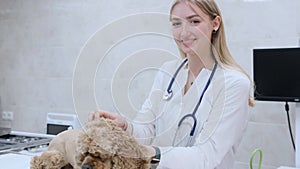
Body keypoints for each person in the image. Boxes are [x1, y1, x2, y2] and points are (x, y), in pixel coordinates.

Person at [89, 0, 254, 168]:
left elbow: (207, 156)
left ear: (215, 24)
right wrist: (125, 127)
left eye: (194, 21)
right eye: (176, 24)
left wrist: (149, 153)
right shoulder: (167, 72)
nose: (183, 33)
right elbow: (147, 129)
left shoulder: (234, 84)